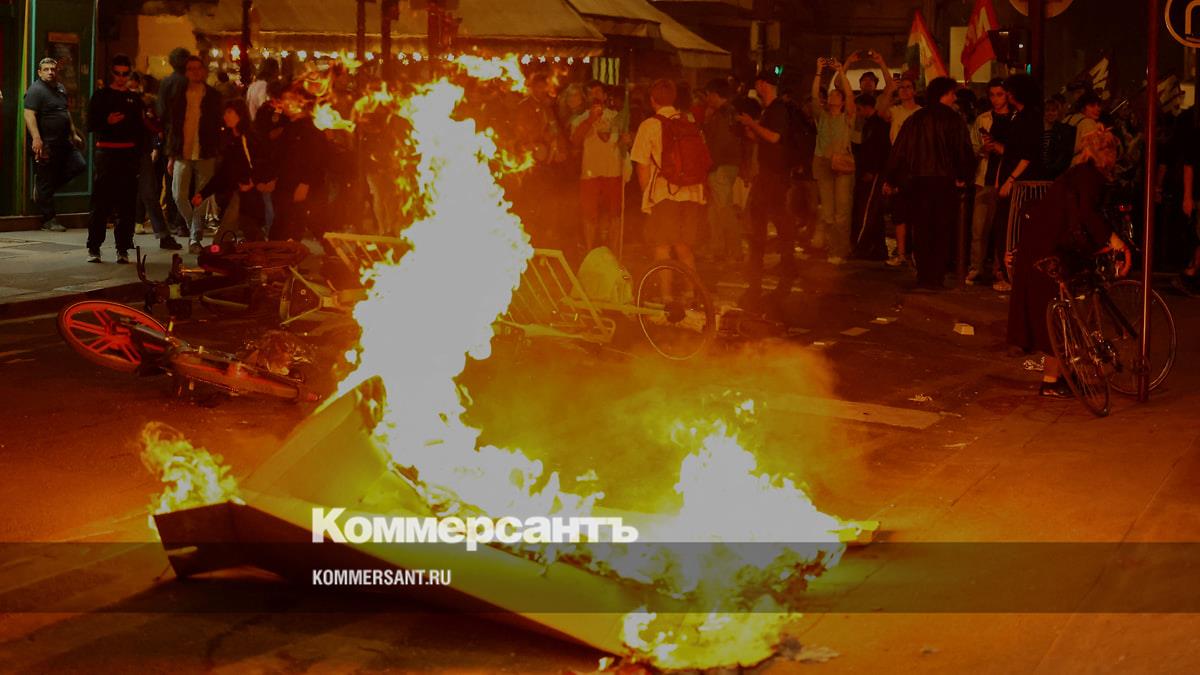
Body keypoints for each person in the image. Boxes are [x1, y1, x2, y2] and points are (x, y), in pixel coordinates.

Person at [1006, 127, 1129, 398]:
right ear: (1105, 154)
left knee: (1061, 311)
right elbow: (1087, 213)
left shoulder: (1079, 174)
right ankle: (1051, 381)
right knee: (1057, 314)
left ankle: (1062, 375)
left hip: (1042, 246)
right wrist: (1114, 240)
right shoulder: (1090, 178)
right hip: (1048, 252)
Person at [884, 76, 974, 291]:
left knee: (922, 229)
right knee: (941, 230)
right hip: (944, 181)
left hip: (918, 182)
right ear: (944, 94)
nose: (954, 98)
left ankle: (924, 276)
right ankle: (936, 276)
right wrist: (964, 175)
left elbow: (900, 149)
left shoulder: (916, 119)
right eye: (952, 93)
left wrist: (892, 177)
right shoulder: (953, 120)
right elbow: (962, 150)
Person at [631, 79, 706, 288]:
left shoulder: (649, 125)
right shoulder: (688, 122)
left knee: (662, 246)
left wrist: (647, 197)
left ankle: (666, 296)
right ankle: (692, 293)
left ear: (652, 100)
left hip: (664, 193)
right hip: (691, 192)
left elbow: (642, 166)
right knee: (684, 247)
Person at [736, 70, 794, 307]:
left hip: (774, 177)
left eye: (758, 83)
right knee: (769, 224)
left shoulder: (777, 109)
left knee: (764, 227)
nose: (756, 88)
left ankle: (769, 280)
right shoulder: (769, 110)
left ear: (763, 84)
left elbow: (774, 137)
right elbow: (765, 139)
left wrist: (752, 124)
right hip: (768, 175)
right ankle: (777, 275)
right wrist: (751, 130)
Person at [84, 55, 145, 263]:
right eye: (118, 73)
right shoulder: (101, 96)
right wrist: (106, 121)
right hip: (107, 153)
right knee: (101, 203)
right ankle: (94, 247)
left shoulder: (134, 99)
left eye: (125, 74)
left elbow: (141, 129)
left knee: (126, 204)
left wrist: (144, 153)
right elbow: (90, 124)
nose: (121, 78)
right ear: (112, 73)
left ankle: (123, 248)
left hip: (127, 154)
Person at [991, 73, 1045, 291]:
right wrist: (1000, 178)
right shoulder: (1017, 116)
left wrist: (1011, 180)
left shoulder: (1031, 118)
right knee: (1003, 226)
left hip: (1021, 183)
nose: (1008, 95)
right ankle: (1009, 274)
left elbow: (1027, 155)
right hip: (1010, 178)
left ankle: (1014, 276)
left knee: (1013, 228)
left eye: (1010, 91)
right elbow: (1009, 152)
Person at [166, 55, 223, 254]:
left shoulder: (213, 96)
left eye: (198, 68)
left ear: (204, 71)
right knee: (178, 195)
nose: (195, 72)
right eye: (191, 68)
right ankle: (194, 229)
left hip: (206, 152)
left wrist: (218, 151)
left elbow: (218, 125)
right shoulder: (178, 95)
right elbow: (173, 126)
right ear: (186, 72)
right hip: (182, 152)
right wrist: (171, 155)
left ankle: (195, 239)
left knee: (201, 198)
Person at [23, 57, 85, 232]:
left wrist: (73, 133)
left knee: (79, 164)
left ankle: (43, 191)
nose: (50, 72)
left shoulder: (60, 88)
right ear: (39, 72)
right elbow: (29, 115)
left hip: (63, 141)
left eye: (53, 69)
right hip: (46, 143)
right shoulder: (36, 90)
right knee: (45, 179)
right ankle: (48, 220)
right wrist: (36, 138)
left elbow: (65, 112)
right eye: (46, 69)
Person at [193, 99, 265, 242]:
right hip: (239, 192)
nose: (225, 116)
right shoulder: (231, 139)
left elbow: (262, 163)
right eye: (225, 113)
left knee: (226, 235)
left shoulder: (248, 138)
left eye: (229, 112)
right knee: (250, 231)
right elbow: (224, 172)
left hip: (248, 194)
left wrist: (252, 182)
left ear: (240, 114)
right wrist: (204, 193)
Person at [810, 58, 856, 264]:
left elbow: (851, 96)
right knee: (828, 211)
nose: (833, 96)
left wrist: (841, 72)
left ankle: (840, 250)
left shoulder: (847, 117)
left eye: (837, 95)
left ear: (843, 101)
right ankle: (831, 247)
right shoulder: (822, 116)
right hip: (823, 163)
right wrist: (819, 70)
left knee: (842, 211)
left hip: (842, 165)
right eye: (831, 94)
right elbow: (814, 96)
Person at [570, 81, 625, 253]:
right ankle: (589, 252)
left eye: (598, 92)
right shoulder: (580, 119)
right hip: (590, 173)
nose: (595, 95)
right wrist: (590, 120)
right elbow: (575, 141)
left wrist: (626, 139)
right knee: (589, 215)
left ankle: (613, 253)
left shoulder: (616, 117)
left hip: (613, 172)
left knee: (614, 214)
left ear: (605, 95)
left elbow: (624, 141)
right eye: (591, 93)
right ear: (587, 97)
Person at [967, 78, 1012, 285]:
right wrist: (982, 150)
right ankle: (975, 267)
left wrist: (1001, 149)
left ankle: (999, 268)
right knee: (979, 229)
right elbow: (973, 146)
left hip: (1004, 180)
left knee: (1001, 230)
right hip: (984, 178)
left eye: (999, 94)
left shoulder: (1014, 118)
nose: (995, 99)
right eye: (992, 95)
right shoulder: (983, 119)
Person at [878, 72, 922, 266]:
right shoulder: (895, 111)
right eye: (901, 87)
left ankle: (916, 254)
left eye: (908, 87)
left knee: (916, 211)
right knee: (899, 212)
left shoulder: (921, 113)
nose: (904, 91)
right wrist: (890, 91)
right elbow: (881, 113)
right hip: (898, 163)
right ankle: (902, 253)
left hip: (917, 163)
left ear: (914, 91)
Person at [702, 78, 743, 264]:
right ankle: (718, 248)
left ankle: (734, 252)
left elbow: (718, 144)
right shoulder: (729, 113)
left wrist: (710, 165)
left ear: (714, 94)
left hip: (719, 166)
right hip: (726, 165)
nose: (706, 99)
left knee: (724, 209)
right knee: (715, 210)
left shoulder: (723, 115)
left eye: (708, 95)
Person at [851, 92, 890, 260]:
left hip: (873, 174)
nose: (857, 113)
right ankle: (878, 248)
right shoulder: (870, 124)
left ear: (867, 107)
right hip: (870, 172)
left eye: (859, 109)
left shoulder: (877, 126)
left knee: (867, 211)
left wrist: (872, 171)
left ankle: (863, 247)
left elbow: (878, 150)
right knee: (874, 212)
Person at [1041, 97, 1076, 179]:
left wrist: (1053, 169)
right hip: (1039, 172)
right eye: (1047, 110)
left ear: (1058, 112)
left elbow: (1065, 154)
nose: (1050, 113)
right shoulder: (1038, 130)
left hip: (1055, 174)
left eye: (1053, 110)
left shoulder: (1065, 130)